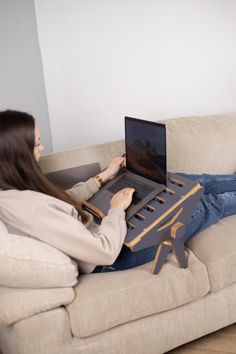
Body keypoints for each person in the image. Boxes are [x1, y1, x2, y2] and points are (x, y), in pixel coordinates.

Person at [0, 110, 236, 274]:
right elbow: (104, 252)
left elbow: (61, 200)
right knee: (203, 204)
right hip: (116, 251)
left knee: (181, 182)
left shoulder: (12, 190)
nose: (42, 148)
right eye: (37, 143)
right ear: (18, 154)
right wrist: (116, 210)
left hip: (106, 226)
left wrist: (103, 177)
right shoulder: (35, 211)